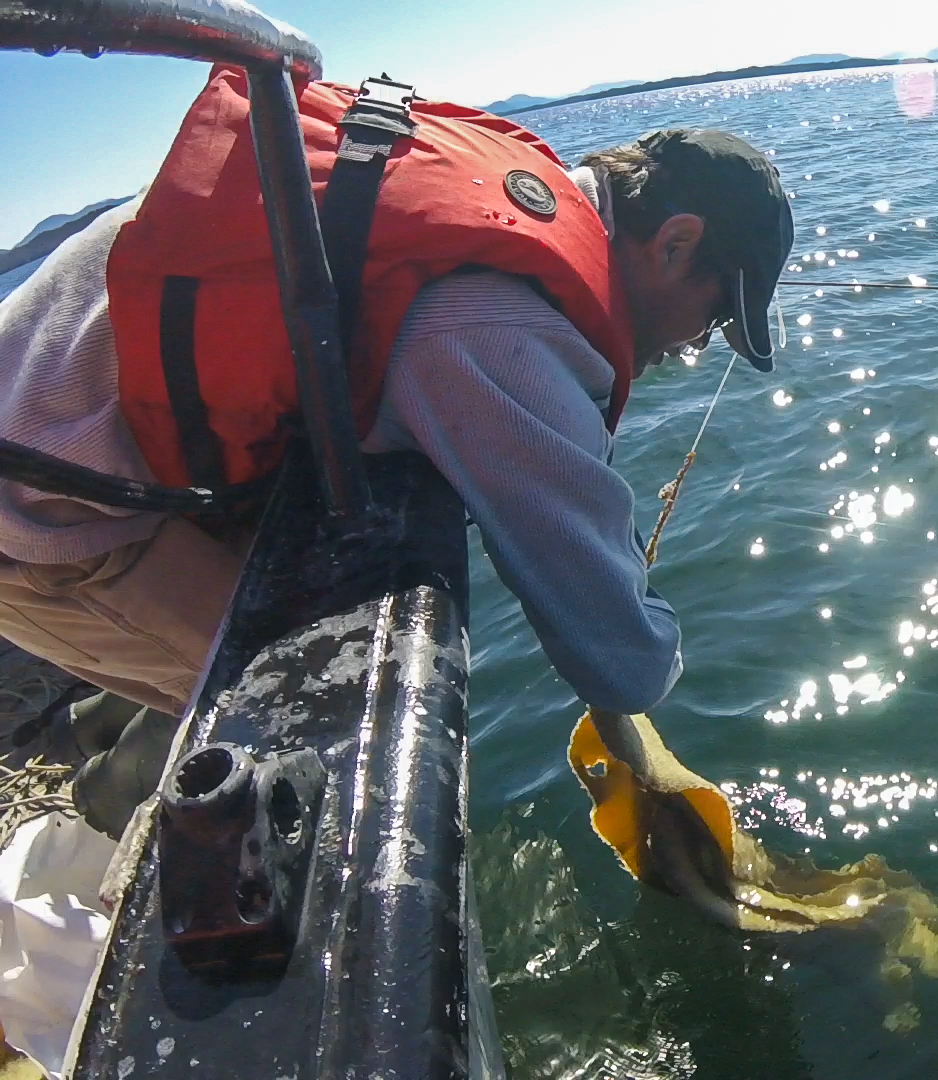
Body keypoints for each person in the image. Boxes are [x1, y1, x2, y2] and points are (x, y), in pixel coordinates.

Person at [0, 67, 795, 839]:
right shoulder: (503, 328)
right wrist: (653, 645)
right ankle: (109, 825)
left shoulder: (518, 199)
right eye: (719, 316)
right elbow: (619, 660)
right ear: (674, 245)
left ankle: (92, 732)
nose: (697, 343)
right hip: (48, 506)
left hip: (57, 408)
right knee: (328, 726)